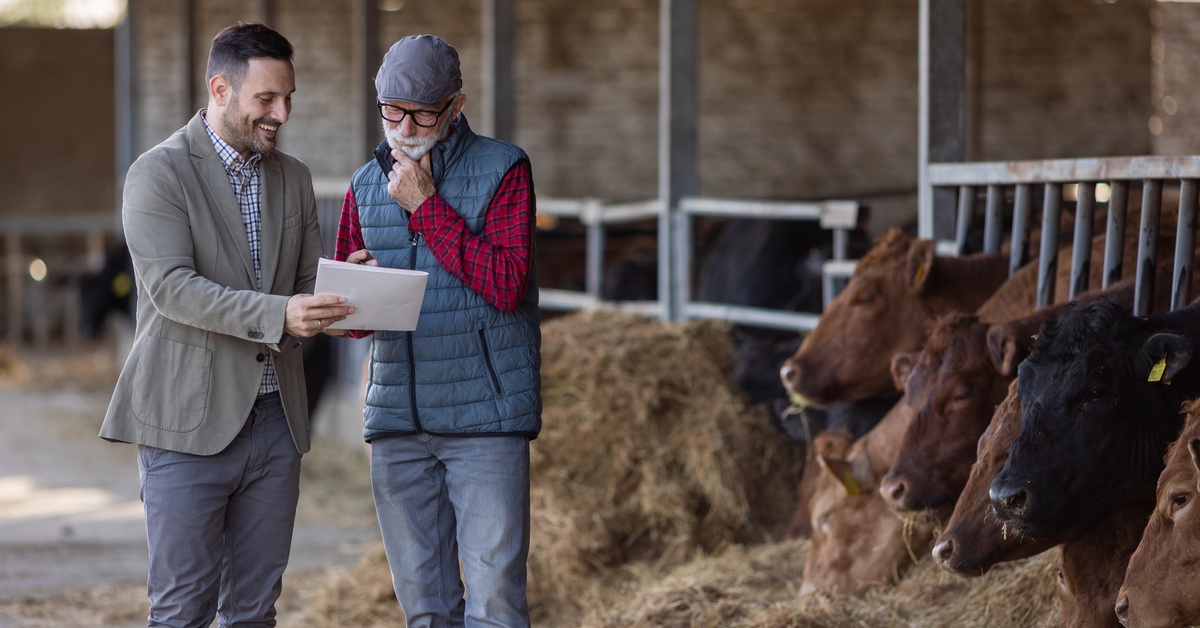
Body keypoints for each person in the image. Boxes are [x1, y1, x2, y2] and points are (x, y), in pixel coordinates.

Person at [98, 21, 353, 627]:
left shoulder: (293, 175)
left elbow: (302, 284)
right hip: (187, 423)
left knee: (253, 612)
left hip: (275, 424)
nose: (282, 112)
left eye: (289, 98)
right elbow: (172, 289)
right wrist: (281, 313)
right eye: (266, 98)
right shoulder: (156, 175)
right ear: (220, 89)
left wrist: (342, 291)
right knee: (183, 610)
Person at [330, 34, 541, 627]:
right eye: (391, 111)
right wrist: (349, 299)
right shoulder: (363, 185)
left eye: (423, 112)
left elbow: (506, 284)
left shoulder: (504, 169)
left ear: (457, 104)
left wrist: (427, 208)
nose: (405, 126)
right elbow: (350, 325)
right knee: (424, 610)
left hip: (485, 420)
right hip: (397, 420)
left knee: (496, 602)